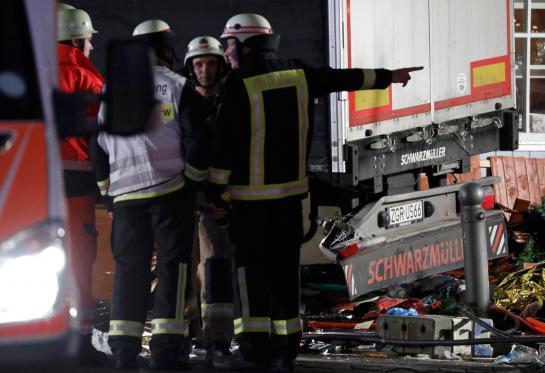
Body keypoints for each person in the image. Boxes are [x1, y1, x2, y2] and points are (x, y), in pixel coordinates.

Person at [208, 13, 422, 372]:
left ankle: (255, 350)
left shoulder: (238, 85)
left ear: (245, 46)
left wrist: (214, 195)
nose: (226, 52)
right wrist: (389, 77)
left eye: (229, 44)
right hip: (291, 204)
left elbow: (224, 147)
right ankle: (287, 350)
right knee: (284, 276)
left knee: (252, 279)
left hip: (249, 207)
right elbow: (341, 79)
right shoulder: (298, 75)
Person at [90, 19, 209, 370]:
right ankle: (166, 350)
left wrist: (108, 194)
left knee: (130, 269)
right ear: (167, 51)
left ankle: (124, 352)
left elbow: (97, 149)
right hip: (170, 193)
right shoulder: (177, 86)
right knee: (173, 268)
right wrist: (194, 181)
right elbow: (198, 141)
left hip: (126, 199)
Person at [56, 5, 107, 365]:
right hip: (75, 178)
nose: (90, 47)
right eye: (88, 41)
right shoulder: (84, 75)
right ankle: (80, 340)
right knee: (79, 257)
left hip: (30, 180)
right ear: (77, 39)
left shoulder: (32, 70)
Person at [182, 35, 236, 368]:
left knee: (215, 269)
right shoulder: (185, 103)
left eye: (211, 63)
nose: (204, 70)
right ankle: (189, 334)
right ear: (191, 67)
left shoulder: (230, 103)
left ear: (220, 66)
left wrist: (220, 198)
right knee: (186, 271)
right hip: (187, 201)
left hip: (219, 202)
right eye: (199, 64)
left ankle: (217, 338)